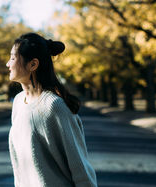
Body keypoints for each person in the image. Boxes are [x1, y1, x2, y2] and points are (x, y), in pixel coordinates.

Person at [7, 32, 97, 187]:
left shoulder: (54, 106)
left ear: (33, 64)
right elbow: (19, 169)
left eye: (13, 58)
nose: (8, 64)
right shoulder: (18, 102)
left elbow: (79, 166)